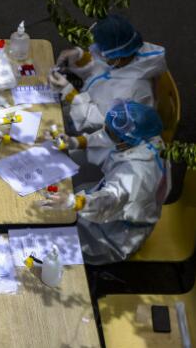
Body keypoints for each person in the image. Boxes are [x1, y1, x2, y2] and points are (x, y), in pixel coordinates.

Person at [41, 100, 170, 264]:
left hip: (115, 234)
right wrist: (76, 142)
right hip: (114, 205)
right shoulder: (145, 136)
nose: (106, 133)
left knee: (55, 241)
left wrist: (74, 202)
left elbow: (111, 200)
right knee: (64, 205)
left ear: (129, 140)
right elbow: (108, 136)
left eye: (112, 133)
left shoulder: (136, 175)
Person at [49, 14, 166, 134]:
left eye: (100, 51)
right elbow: (100, 69)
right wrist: (79, 58)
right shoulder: (126, 51)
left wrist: (69, 93)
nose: (95, 52)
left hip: (96, 134)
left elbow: (97, 123)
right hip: (85, 102)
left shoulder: (131, 91)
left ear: (118, 57)